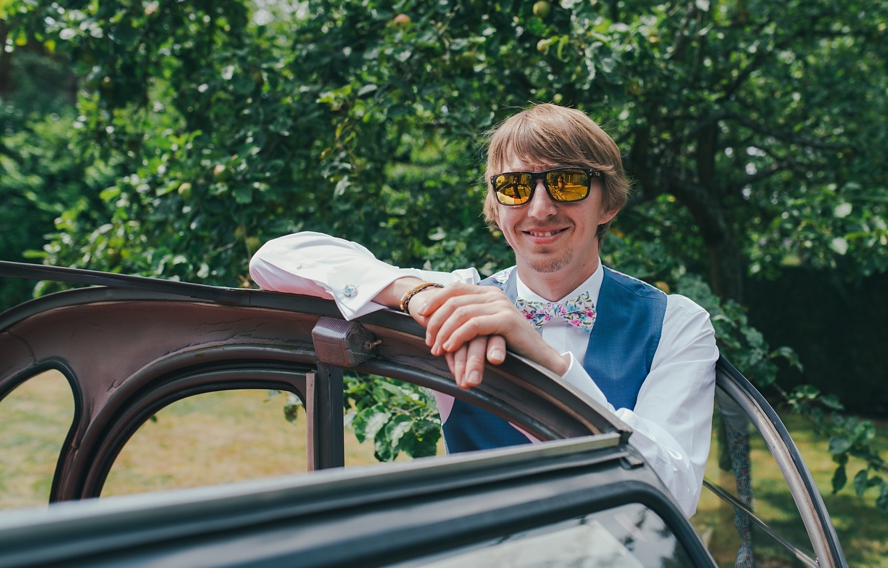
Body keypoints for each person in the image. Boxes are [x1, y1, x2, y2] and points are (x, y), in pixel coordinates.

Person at [250, 104, 718, 517]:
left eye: (567, 183)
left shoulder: (677, 322)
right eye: (514, 187)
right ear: (496, 208)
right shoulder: (460, 301)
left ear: (609, 203)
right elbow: (274, 258)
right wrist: (420, 295)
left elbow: (673, 493)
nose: (539, 209)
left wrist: (548, 362)